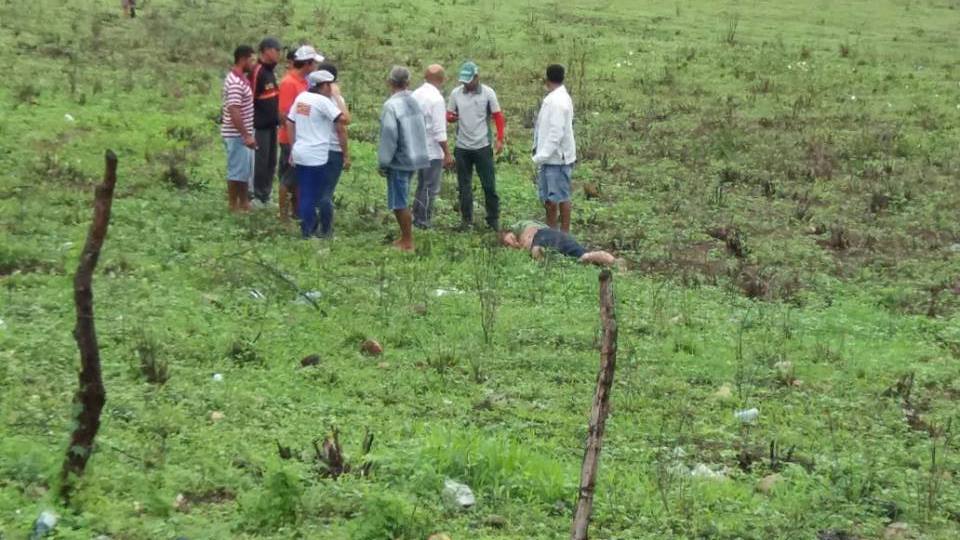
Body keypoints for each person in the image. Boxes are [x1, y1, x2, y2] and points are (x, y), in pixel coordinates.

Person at [286, 70, 350, 238]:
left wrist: (294, 147)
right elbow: (344, 120)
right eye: (330, 85)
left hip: (301, 151)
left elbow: (289, 122)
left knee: (305, 191)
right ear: (323, 86)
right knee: (315, 194)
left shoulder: (301, 98)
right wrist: (336, 98)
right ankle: (309, 232)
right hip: (316, 155)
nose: (332, 88)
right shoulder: (322, 101)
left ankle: (308, 228)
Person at [447, 61, 506, 231]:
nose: (466, 84)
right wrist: (451, 118)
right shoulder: (456, 94)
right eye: (464, 81)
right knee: (464, 186)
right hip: (462, 147)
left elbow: (497, 116)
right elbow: (449, 115)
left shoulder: (488, 93)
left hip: (482, 146)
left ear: (477, 77)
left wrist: (500, 138)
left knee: (489, 185)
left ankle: (493, 219)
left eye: (469, 80)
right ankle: (466, 220)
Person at [378, 66, 429, 251]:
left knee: (399, 201)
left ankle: (407, 240)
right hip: (415, 157)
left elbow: (389, 134)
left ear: (390, 82)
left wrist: (384, 161)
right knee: (402, 197)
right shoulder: (414, 102)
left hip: (399, 159)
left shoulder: (391, 106)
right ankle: (405, 238)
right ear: (408, 83)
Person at [277, 45, 323, 220]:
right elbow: (284, 114)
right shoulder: (289, 83)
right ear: (307, 64)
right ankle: (283, 216)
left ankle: (296, 211)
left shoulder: (304, 82)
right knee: (288, 178)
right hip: (291, 138)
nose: (315, 68)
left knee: (297, 178)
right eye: (314, 64)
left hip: (301, 138)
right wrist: (292, 139)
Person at [532, 64, 577, 232]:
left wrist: (541, 156)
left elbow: (556, 133)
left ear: (546, 79)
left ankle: (563, 235)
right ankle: (552, 232)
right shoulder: (555, 98)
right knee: (551, 199)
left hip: (557, 158)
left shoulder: (557, 102)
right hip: (551, 157)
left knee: (559, 198)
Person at [411, 64, 454, 229]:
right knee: (430, 187)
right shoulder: (436, 99)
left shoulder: (416, 94)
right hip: (432, 150)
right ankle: (423, 220)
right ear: (442, 80)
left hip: (417, 147)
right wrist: (447, 153)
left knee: (421, 184)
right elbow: (439, 131)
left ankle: (416, 216)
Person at [221, 45, 257, 213]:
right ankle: (233, 205)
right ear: (243, 59)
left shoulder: (241, 78)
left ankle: (243, 203)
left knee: (243, 170)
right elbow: (234, 110)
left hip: (242, 133)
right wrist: (245, 134)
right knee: (236, 171)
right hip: (236, 134)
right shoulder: (235, 83)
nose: (253, 63)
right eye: (251, 59)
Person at [249, 37, 283, 206]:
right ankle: (256, 194)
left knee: (271, 161)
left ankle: (266, 195)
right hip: (259, 126)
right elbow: (250, 98)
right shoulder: (258, 72)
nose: (279, 54)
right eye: (277, 50)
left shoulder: (270, 72)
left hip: (272, 125)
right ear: (267, 50)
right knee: (260, 162)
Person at [317, 62, 351, 218]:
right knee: (327, 192)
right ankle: (325, 229)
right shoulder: (335, 101)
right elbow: (342, 126)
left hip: (316, 148)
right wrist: (346, 155)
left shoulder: (310, 98)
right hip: (333, 150)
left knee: (316, 188)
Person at [500, 221, 615, 266]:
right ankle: (612, 261)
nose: (511, 245)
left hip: (544, 235)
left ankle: (612, 262)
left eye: (509, 242)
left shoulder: (522, 226)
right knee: (584, 257)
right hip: (556, 237)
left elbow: (529, 234)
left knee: (537, 251)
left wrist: (516, 244)